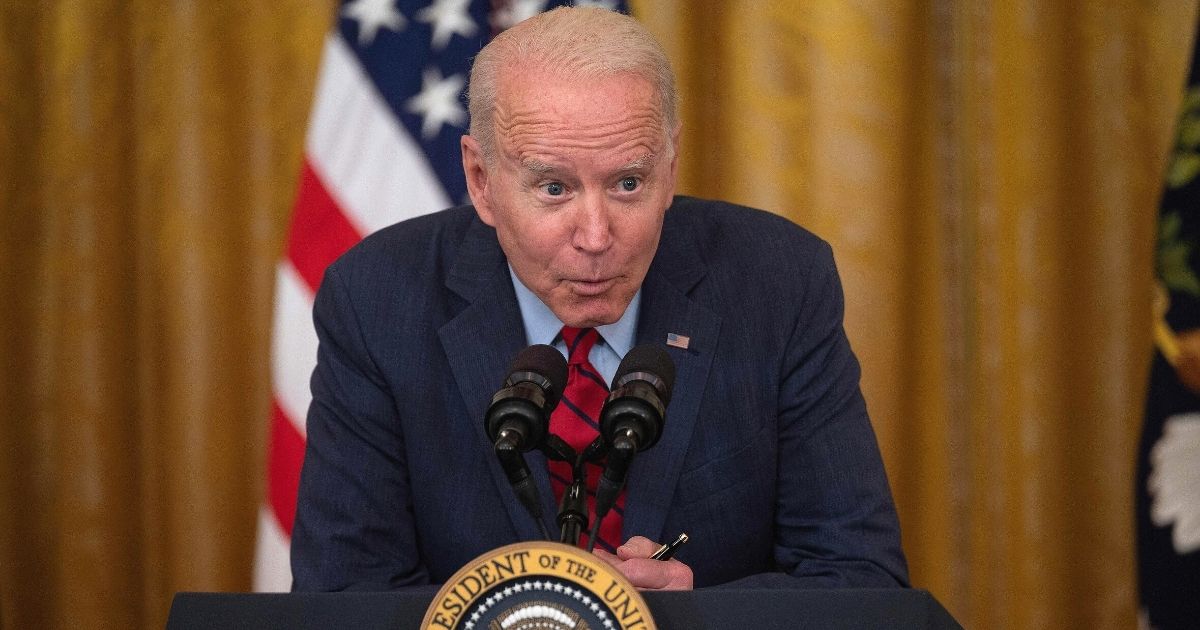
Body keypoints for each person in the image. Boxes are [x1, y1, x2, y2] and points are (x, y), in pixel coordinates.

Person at [291, 6, 908, 592]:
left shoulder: (777, 283)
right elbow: (344, 596)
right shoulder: (378, 300)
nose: (595, 236)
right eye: (554, 188)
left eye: (628, 183)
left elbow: (859, 577)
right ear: (481, 181)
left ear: (670, 166)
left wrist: (689, 615)